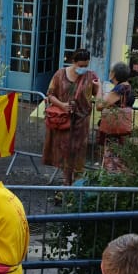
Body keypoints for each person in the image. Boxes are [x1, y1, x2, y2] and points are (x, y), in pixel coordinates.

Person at [43, 48, 100, 184]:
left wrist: (100, 87)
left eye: (86, 65)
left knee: (79, 152)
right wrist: (62, 105)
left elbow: (99, 98)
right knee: (65, 151)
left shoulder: (91, 76)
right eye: (81, 66)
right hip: (64, 120)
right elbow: (50, 94)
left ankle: (77, 183)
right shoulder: (60, 74)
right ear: (73, 62)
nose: (83, 68)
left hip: (82, 121)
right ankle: (66, 182)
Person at [96, 61, 136, 173]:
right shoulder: (128, 87)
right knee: (120, 159)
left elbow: (99, 105)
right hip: (123, 128)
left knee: (111, 160)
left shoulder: (120, 89)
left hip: (114, 129)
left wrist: (99, 87)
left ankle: (111, 180)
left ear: (113, 74)